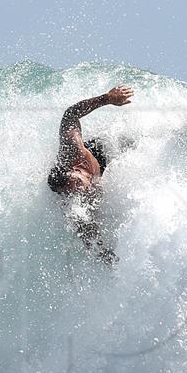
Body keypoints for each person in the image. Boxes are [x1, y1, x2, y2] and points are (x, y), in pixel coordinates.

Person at [48, 85, 135, 265]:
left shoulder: (72, 149)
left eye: (77, 184)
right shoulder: (74, 204)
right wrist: (109, 258)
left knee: (138, 144)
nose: (81, 190)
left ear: (75, 170)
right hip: (101, 174)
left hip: (103, 152)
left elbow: (70, 114)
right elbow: (91, 238)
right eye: (73, 192)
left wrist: (107, 99)